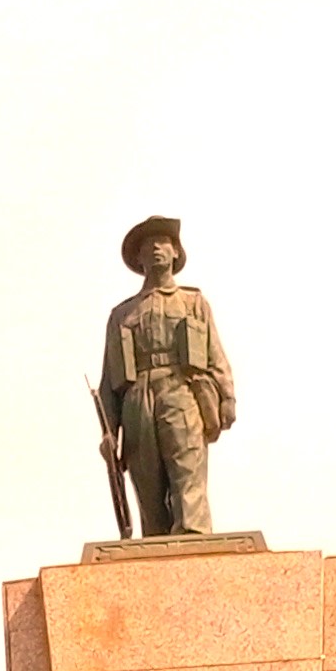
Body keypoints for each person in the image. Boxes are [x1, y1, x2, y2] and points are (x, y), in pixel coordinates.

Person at [96, 215, 235, 536]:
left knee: (188, 472)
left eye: (164, 244)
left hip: (182, 392)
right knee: (148, 485)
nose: (157, 249)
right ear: (139, 260)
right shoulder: (122, 314)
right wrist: (108, 432)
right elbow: (108, 380)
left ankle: (193, 539)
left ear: (176, 253)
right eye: (148, 246)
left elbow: (215, 355)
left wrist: (227, 397)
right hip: (137, 401)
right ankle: (156, 552)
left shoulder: (193, 302)